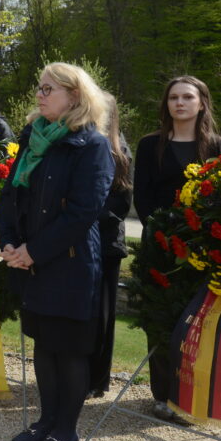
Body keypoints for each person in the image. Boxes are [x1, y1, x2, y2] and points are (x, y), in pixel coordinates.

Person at [0, 62, 113, 441]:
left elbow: (83, 212)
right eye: (40, 87)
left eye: (49, 89)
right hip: (31, 260)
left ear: (75, 96)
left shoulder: (91, 144)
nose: (39, 94)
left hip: (70, 262)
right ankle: (45, 420)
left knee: (68, 349)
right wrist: (10, 243)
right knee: (44, 345)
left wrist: (33, 251)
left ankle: (66, 429)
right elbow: (11, 195)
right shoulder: (33, 136)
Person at [133, 75, 221, 419]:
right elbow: (142, 196)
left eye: (187, 97)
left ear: (201, 103)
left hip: (203, 249)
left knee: (199, 322)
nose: (180, 103)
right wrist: (162, 233)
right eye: (174, 97)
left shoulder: (217, 146)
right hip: (160, 247)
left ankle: (193, 395)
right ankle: (163, 395)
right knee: (161, 320)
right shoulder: (150, 145)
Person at [88, 93, 132, 398]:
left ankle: (97, 379)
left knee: (102, 315)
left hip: (105, 243)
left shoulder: (120, 150)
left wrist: (83, 217)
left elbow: (121, 203)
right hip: (76, 242)